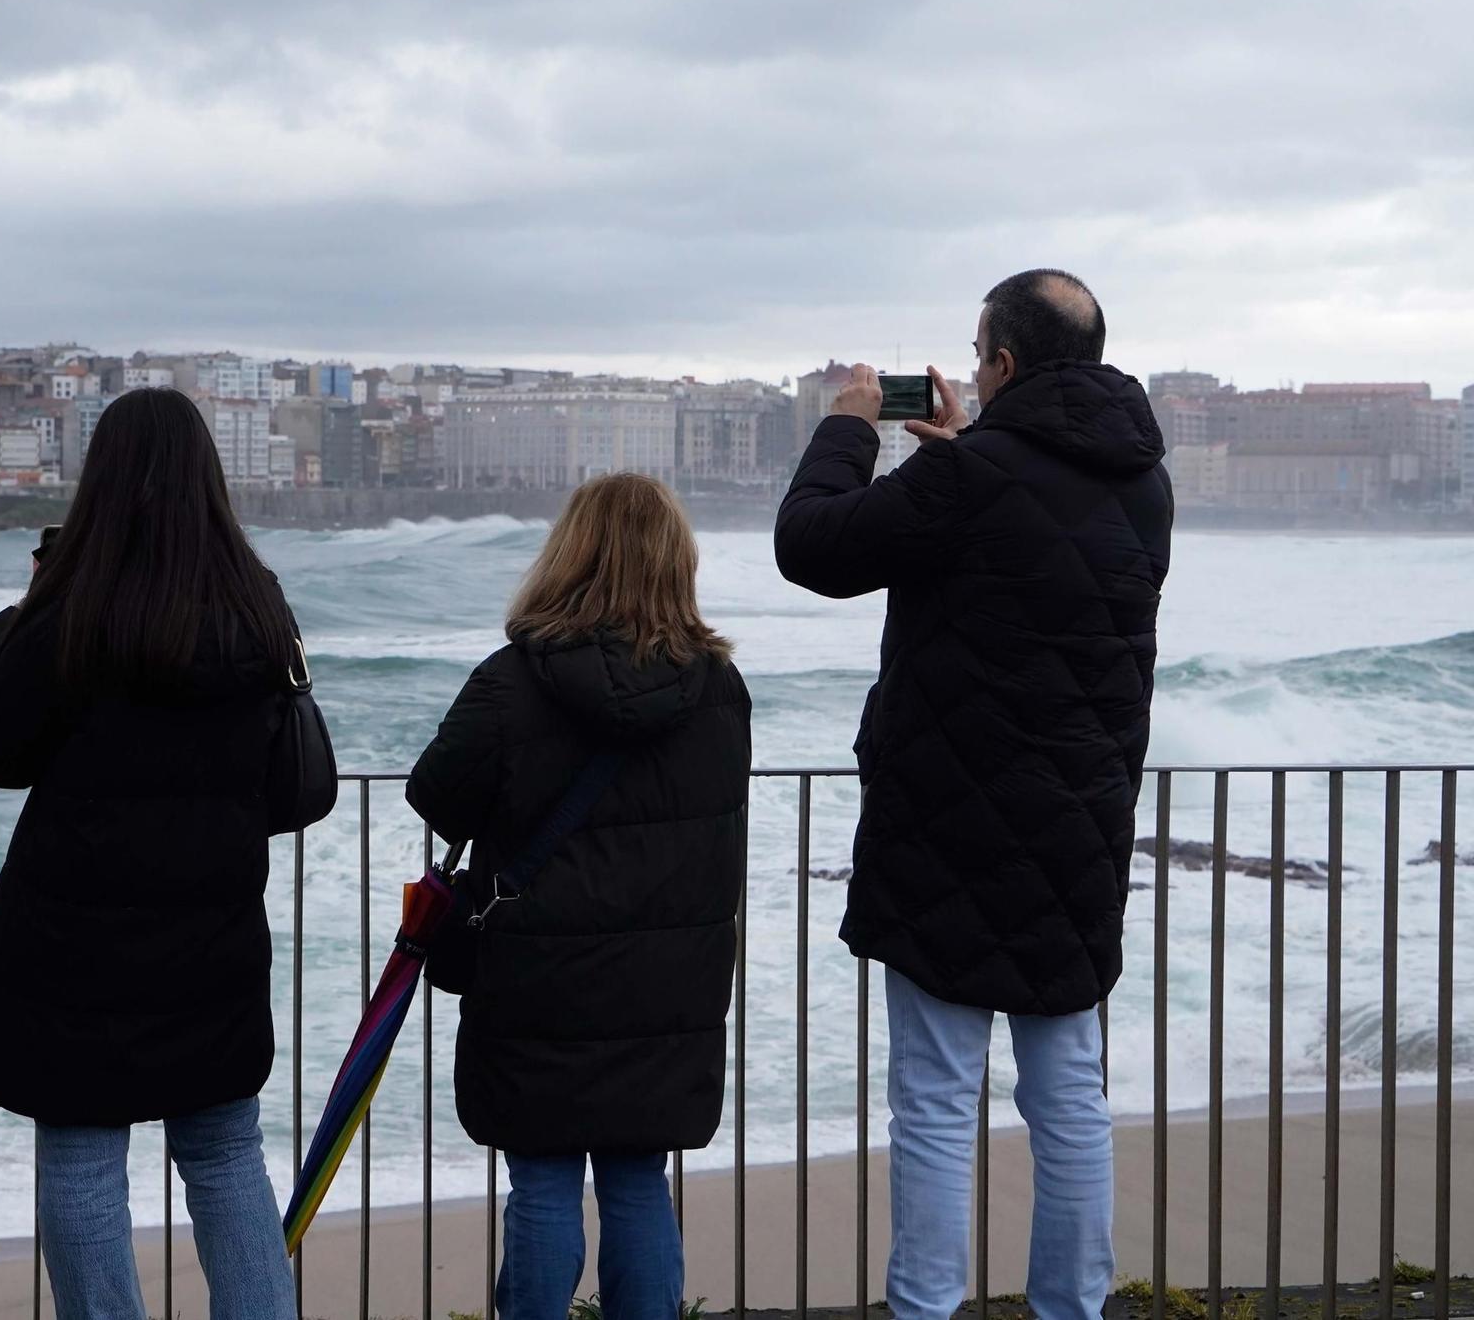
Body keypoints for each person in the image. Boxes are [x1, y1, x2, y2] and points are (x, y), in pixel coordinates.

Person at [773, 270, 1172, 1320]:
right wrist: (949, 457)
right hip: (1079, 827)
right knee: (1065, 1096)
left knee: (938, 1101)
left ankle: (924, 1311)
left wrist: (851, 427)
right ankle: (1070, 1310)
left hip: (946, 828)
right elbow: (1029, 559)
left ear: (996, 364)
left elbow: (810, 546)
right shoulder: (1141, 481)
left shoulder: (970, 478)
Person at [0, 387, 298, 1320]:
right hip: (214, 936)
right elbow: (286, 782)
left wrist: (23, 609)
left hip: (75, 942)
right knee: (226, 1152)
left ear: (101, 480)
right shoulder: (257, 606)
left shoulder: (74, 611)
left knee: (80, 1155)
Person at [408, 473, 752, 1320]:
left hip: (536, 979)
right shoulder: (718, 690)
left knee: (544, 1178)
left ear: (567, 554)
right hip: (667, 986)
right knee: (638, 1178)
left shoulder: (511, 679)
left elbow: (436, 794)